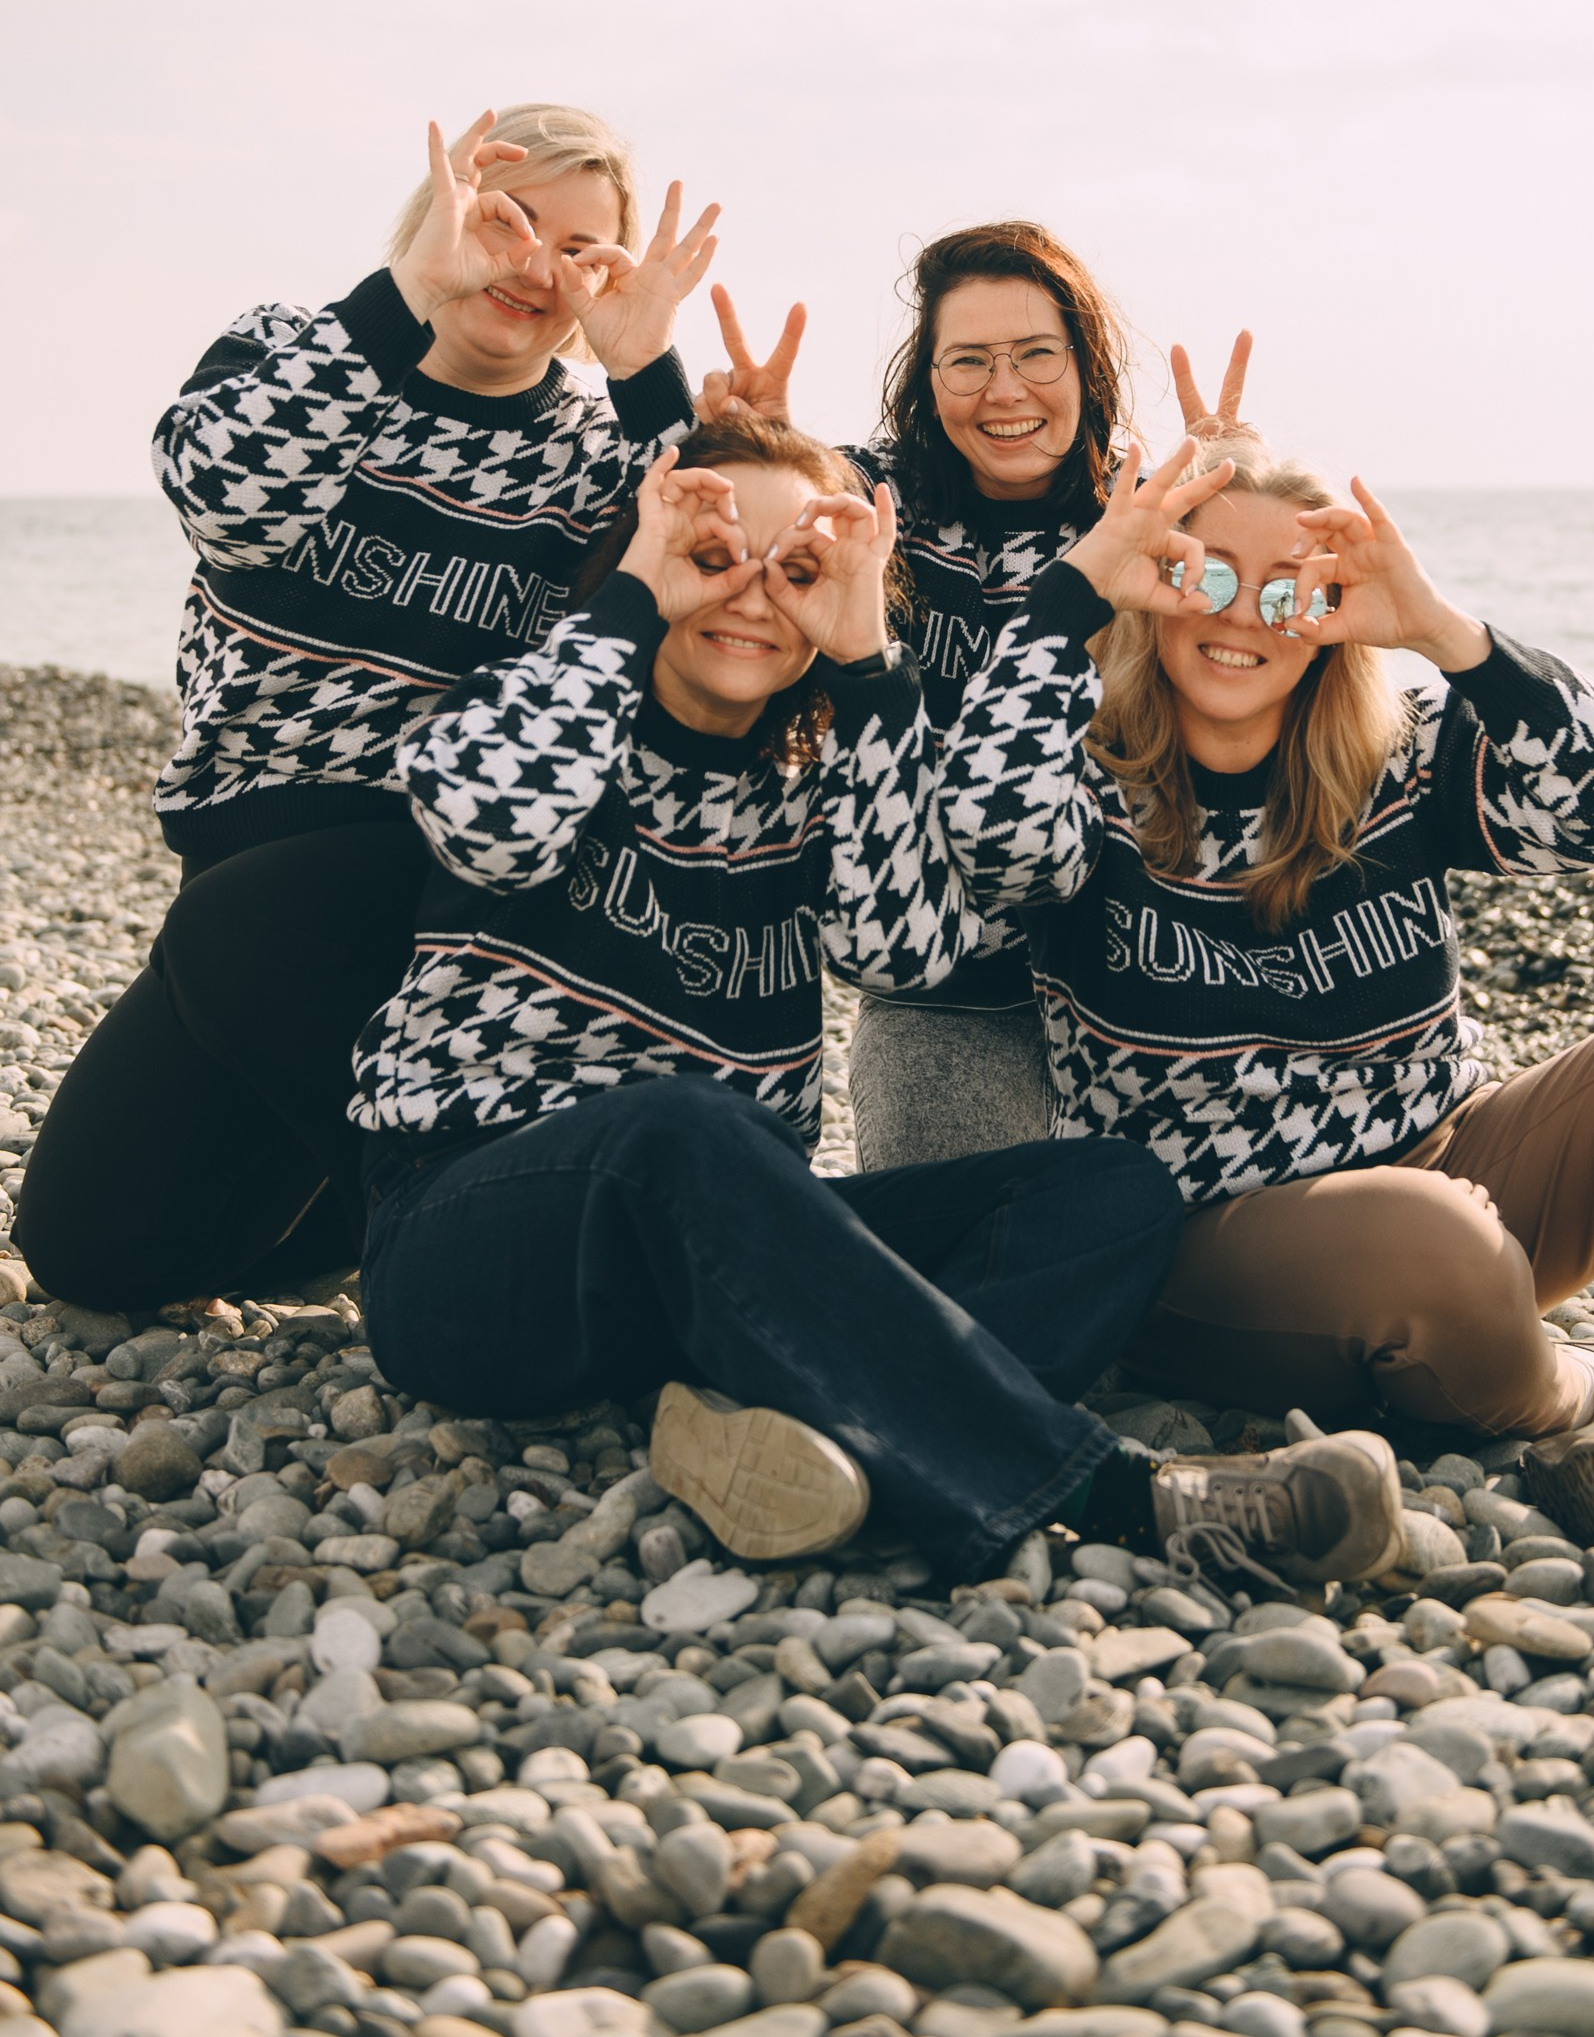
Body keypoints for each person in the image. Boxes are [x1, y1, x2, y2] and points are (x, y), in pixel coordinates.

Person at [346, 415, 1400, 1583]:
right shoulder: (547, 708)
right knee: (683, 1124)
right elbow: (491, 827)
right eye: (711, 557)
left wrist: (863, 660)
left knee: (1110, 1188)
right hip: (476, 1246)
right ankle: (1108, 1495)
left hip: (723, 1267)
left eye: (794, 570)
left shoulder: (816, 781)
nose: (751, 595)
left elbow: (905, 953)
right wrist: (636, 594)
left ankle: (799, 1438)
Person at [936, 432, 1594, 1573]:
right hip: (1211, 1235)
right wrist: (1068, 599)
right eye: (1208, 574)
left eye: (1288, 590)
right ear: (1157, 586)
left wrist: (1445, 634)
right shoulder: (1082, 779)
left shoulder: (1398, 758)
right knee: (1430, 1241)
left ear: (1330, 611)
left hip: (1451, 1160)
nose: (1241, 617)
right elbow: (983, 839)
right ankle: (1564, 1397)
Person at [15, 108, 714, 1313]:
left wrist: (650, 370)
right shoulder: (302, 348)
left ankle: (481, 1267)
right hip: (241, 881)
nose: (535, 267)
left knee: (263, 915)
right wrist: (401, 297)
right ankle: (427, 1204)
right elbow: (222, 497)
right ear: (441, 213)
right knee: (93, 1252)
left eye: (583, 249)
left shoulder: (599, 455)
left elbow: (714, 600)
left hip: (450, 881)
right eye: (507, 218)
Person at [694, 225, 1206, 1169]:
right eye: (967, 360)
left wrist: (1240, 502)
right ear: (925, 378)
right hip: (944, 981)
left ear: (1087, 367)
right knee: (962, 1229)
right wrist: (740, 454)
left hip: (1131, 960)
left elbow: (1268, 654)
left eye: (1036, 355)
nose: (1004, 391)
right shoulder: (869, 503)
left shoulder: (1146, 519)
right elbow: (687, 572)